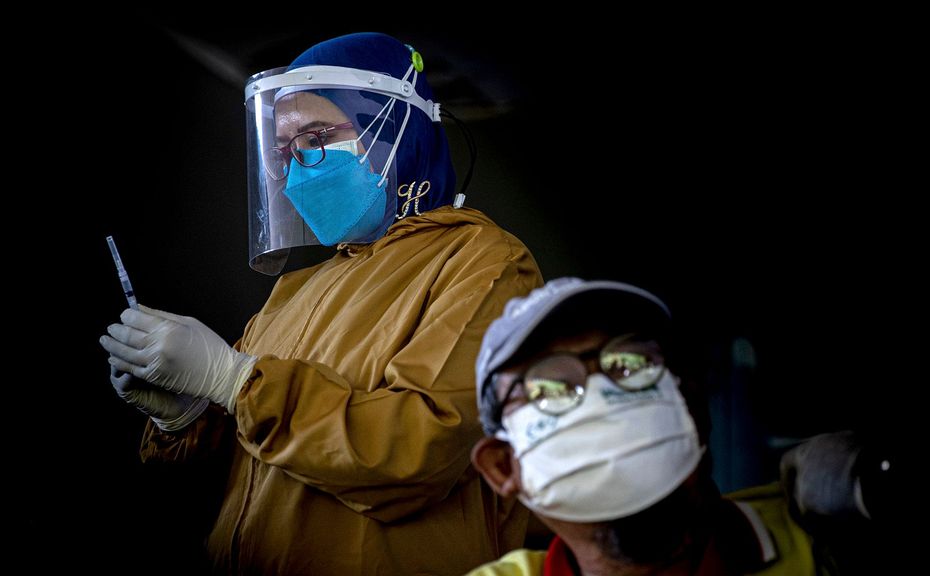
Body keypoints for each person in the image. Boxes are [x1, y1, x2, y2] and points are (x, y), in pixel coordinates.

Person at [99, 32, 542, 575]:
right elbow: (251, 483)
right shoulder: (295, 291)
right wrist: (187, 418)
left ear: (396, 132)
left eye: (314, 137)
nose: (293, 168)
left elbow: (419, 452)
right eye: (283, 150)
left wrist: (237, 383)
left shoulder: (480, 261)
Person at [468, 277, 831, 576]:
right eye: (548, 388)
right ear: (502, 466)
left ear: (690, 406)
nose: (603, 395)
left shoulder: (830, 539)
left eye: (631, 364)